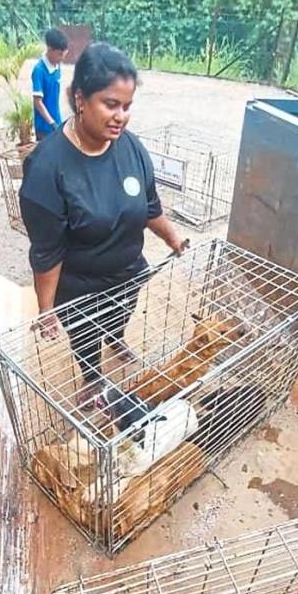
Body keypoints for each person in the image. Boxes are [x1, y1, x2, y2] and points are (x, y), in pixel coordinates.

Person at [19, 41, 187, 406]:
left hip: (127, 270)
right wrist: (47, 310)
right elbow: (47, 253)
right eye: (110, 104)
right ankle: (92, 376)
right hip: (80, 284)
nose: (121, 116)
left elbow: (149, 206)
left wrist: (174, 238)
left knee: (120, 313)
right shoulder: (47, 168)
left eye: (127, 107)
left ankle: (115, 335)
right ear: (80, 99)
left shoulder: (132, 148)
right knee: (85, 333)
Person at [32, 28, 68, 141]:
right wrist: (51, 122)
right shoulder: (39, 70)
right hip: (44, 126)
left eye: (64, 54)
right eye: (59, 54)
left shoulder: (57, 67)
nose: (62, 58)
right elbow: (38, 102)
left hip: (57, 121)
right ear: (50, 49)